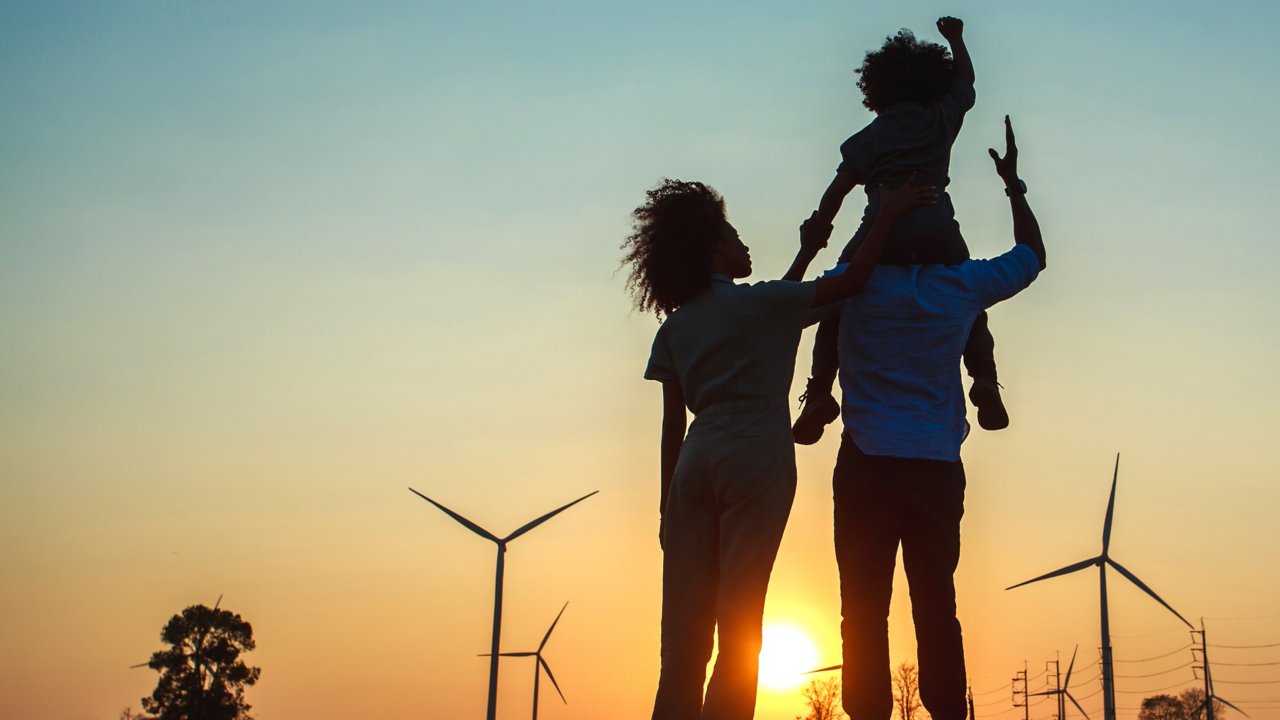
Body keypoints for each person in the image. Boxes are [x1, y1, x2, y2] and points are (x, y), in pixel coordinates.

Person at [623, 177, 937, 720]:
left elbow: (672, 426)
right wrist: (885, 213)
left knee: (682, 638)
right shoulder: (763, 304)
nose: (745, 246)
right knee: (740, 622)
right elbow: (852, 281)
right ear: (712, 249)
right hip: (756, 456)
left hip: (693, 465)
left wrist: (663, 509)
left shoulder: (676, 328)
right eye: (735, 238)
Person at [825, 116, 1045, 720]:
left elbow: (805, 295)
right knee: (935, 604)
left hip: (866, 461)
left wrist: (874, 216)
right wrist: (1014, 186)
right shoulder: (960, 287)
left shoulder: (850, 286)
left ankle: (867, 712)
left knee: (861, 608)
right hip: (934, 466)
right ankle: (949, 711)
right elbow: (1032, 256)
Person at [794, 16, 1011, 445]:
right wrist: (957, 39)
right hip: (936, 226)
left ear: (878, 90)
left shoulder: (871, 135)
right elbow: (966, 79)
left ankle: (819, 392)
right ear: (931, 80)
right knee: (969, 295)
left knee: (838, 299)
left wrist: (819, 230)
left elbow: (836, 190)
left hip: (881, 230)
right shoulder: (940, 117)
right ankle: (984, 377)